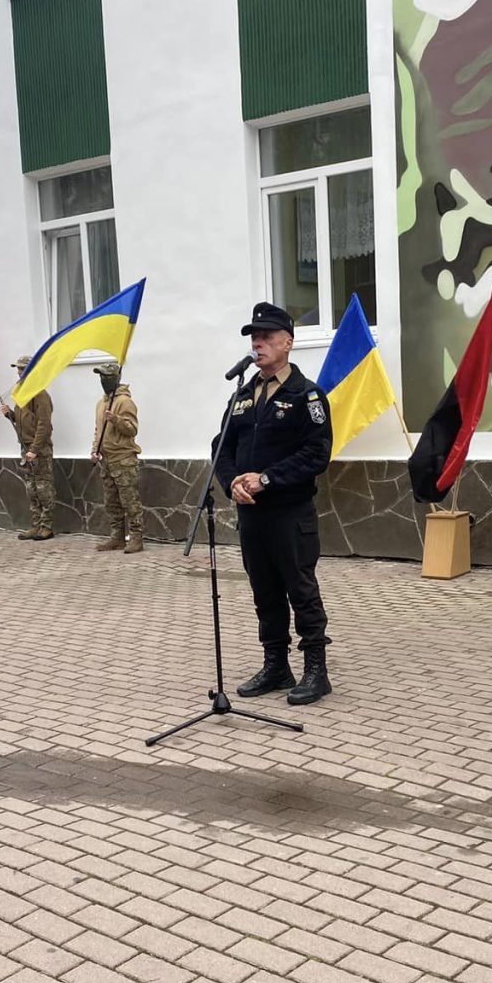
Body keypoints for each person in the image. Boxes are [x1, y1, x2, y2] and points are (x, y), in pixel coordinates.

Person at [214, 301, 333, 706]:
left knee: (300, 589)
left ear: (288, 343)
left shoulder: (306, 395)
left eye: (266, 337)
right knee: (264, 591)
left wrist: (266, 479)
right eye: (254, 337)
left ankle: (316, 670)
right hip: (252, 515)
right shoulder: (243, 394)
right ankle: (276, 665)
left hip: (290, 513)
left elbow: (317, 453)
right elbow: (221, 446)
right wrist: (232, 481)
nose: (258, 344)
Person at [92, 361, 144, 554]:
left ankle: (136, 537)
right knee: (111, 502)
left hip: (123, 460)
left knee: (130, 501)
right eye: (101, 377)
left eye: (106, 377)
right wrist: (95, 450)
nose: (103, 380)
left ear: (115, 378)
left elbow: (132, 429)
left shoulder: (125, 402)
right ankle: (117, 537)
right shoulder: (101, 404)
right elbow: (98, 431)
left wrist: (116, 420)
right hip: (106, 460)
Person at [1, 357, 54, 541]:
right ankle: (36, 525)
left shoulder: (40, 394)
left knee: (43, 489)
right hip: (26, 448)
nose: (19, 372)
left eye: (23, 369)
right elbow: (24, 420)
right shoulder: (22, 393)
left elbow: (44, 425)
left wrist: (35, 449)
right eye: (18, 369)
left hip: (39, 450)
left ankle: (47, 527)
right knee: (31, 489)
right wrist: (10, 415)